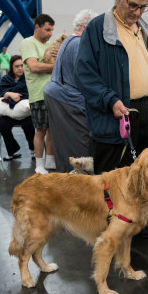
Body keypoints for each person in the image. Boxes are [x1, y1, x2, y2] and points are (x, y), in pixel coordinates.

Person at [74, 0, 148, 239]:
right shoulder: (98, 27)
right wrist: (110, 99)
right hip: (115, 115)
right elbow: (85, 74)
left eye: (143, 6)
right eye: (133, 5)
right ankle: (109, 231)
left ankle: (137, 224)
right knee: (111, 180)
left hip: (144, 112)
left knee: (143, 176)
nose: (137, 12)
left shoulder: (142, 30)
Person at [44, 9, 98, 173]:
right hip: (68, 99)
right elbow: (86, 76)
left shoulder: (69, 41)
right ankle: (76, 185)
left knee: (64, 144)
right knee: (78, 146)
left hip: (58, 95)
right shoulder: (79, 44)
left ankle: (67, 180)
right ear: (85, 26)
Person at [19, 13, 57, 174]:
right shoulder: (28, 43)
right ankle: (39, 164)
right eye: (47, 30)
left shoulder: (49, 45)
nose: (50, 34)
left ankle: (50, 160)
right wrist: (55, 66)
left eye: (51, 30)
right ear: (37, 27)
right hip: (39, 94)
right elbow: (33, 67)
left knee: (52, 130)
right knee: (41, 130)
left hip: (53, 94)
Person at [0, 55, 35, 160]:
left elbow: (31, 94)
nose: (20, 68)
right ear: (12, 67)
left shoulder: (28, 78)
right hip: (9, 112)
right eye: (17, 66)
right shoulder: (6, 79)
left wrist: (19, 97)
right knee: (2, 123)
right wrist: (9, 94)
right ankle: (12, 149)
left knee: (28, 124)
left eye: (21, 66)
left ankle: (33, 149)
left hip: (25, 113)